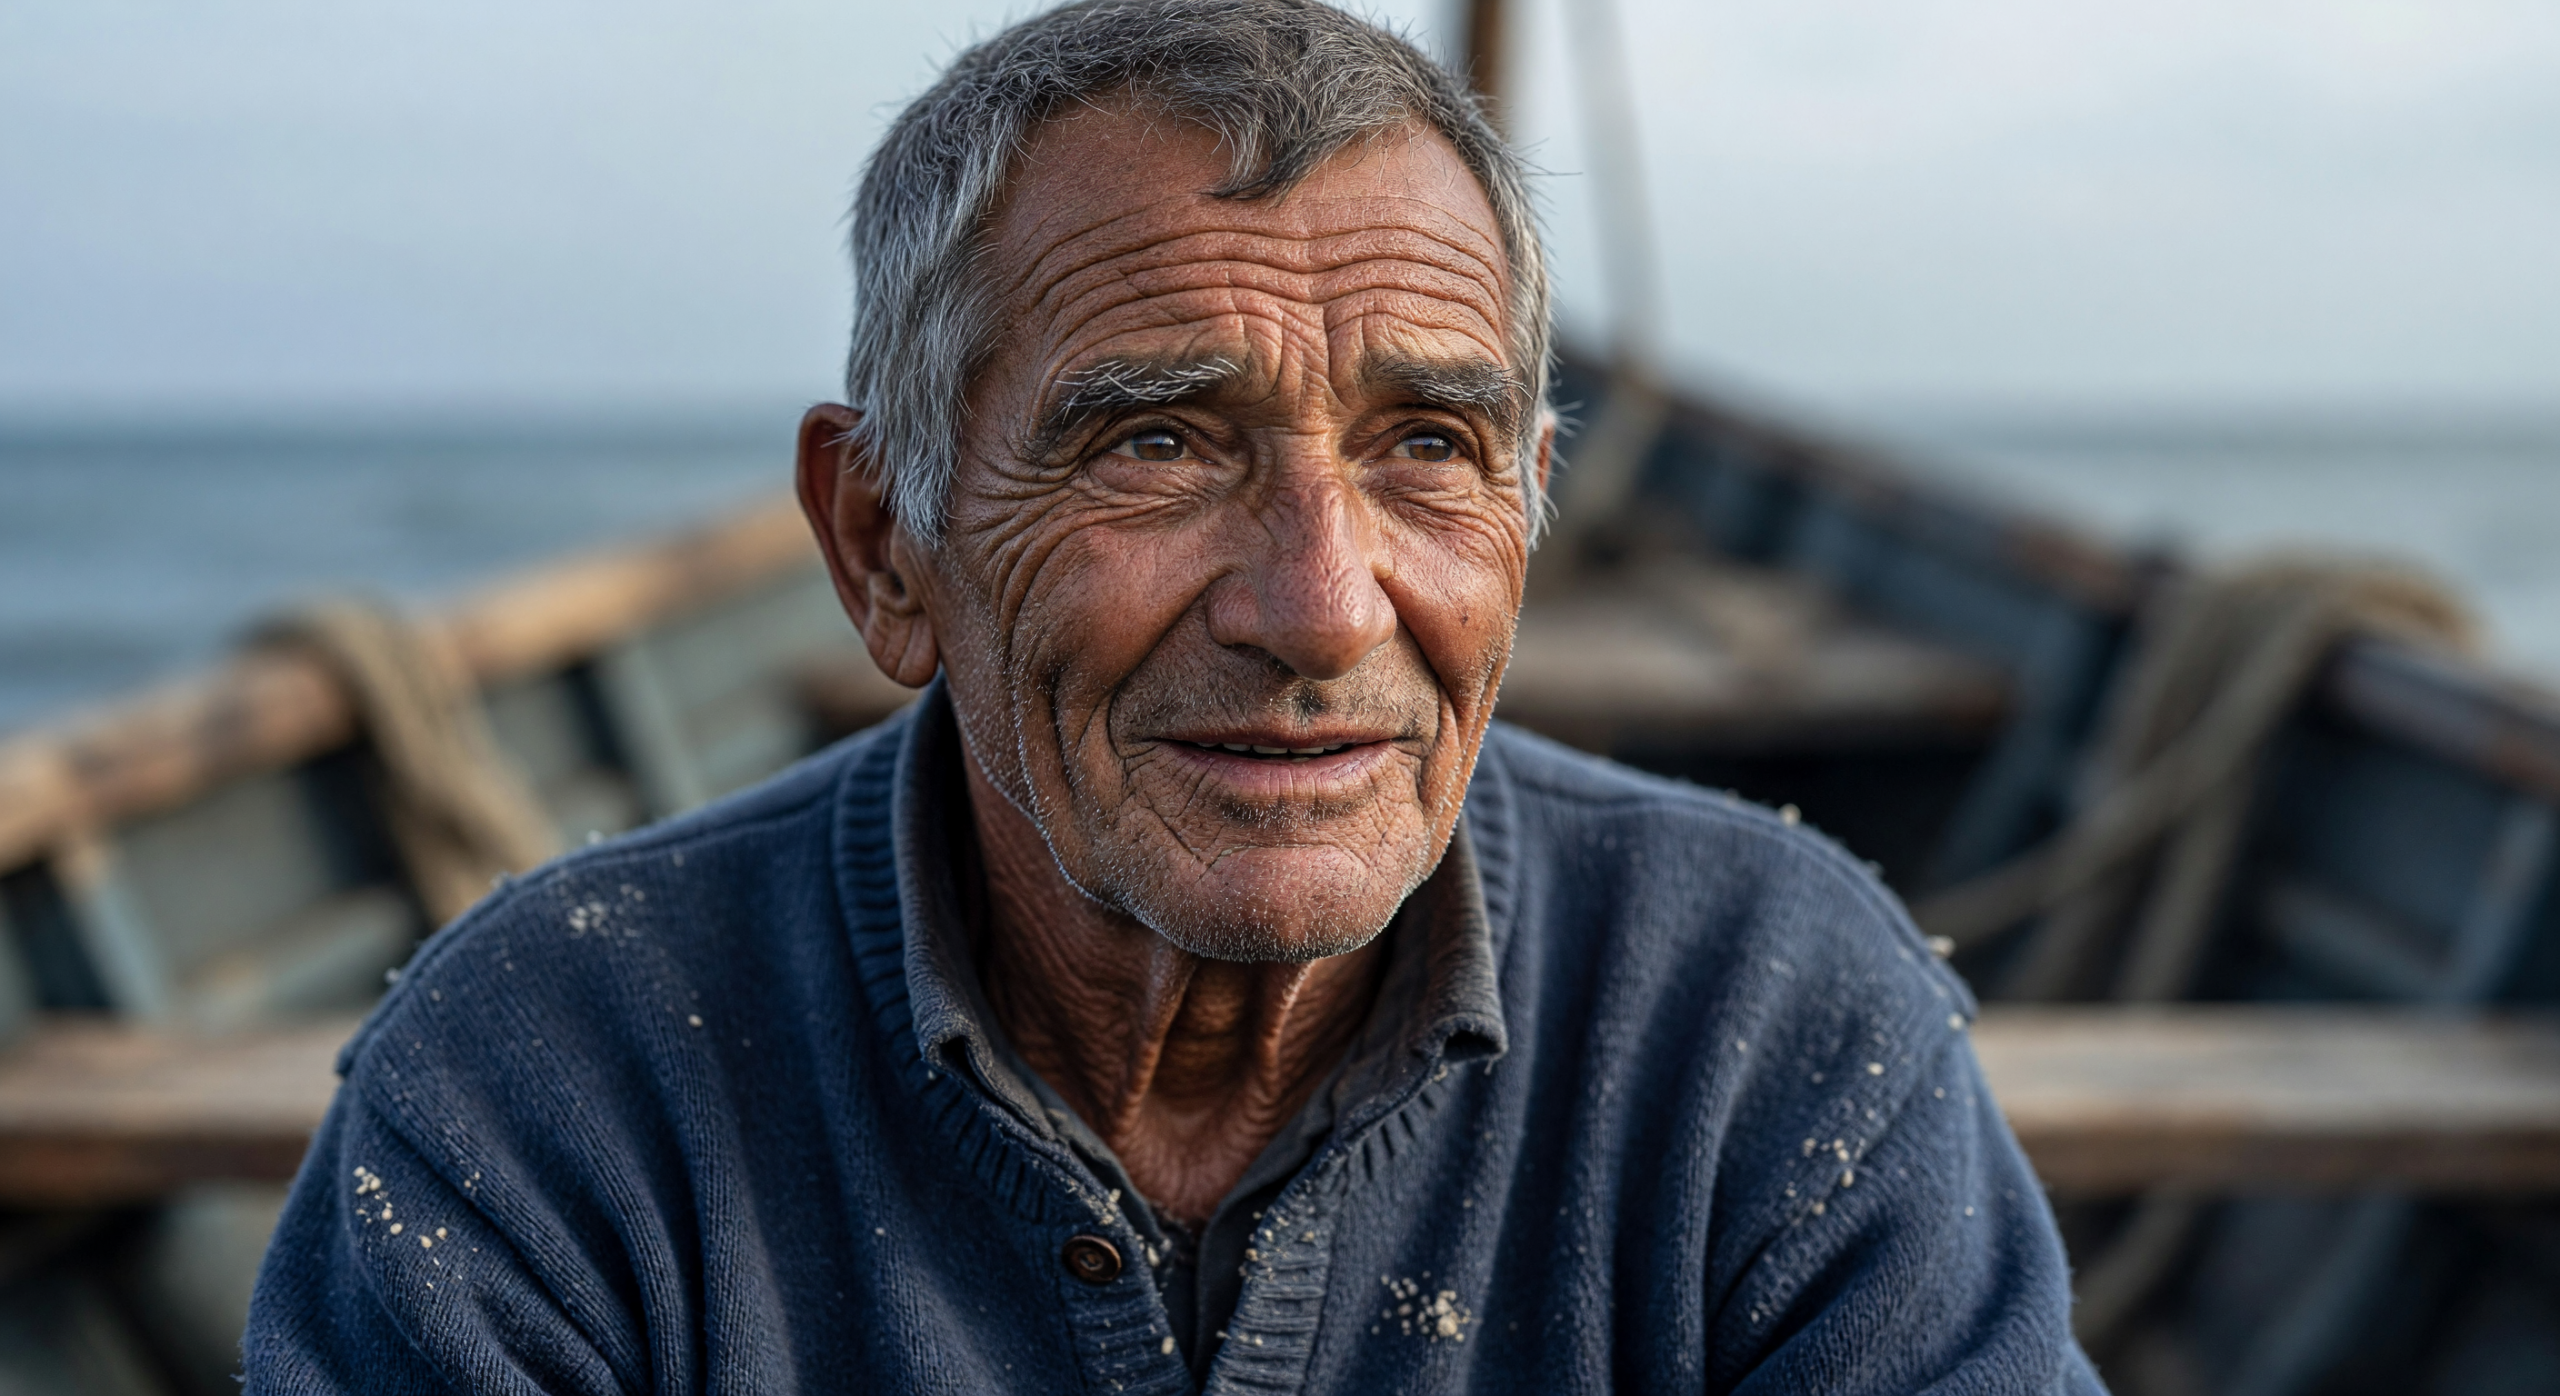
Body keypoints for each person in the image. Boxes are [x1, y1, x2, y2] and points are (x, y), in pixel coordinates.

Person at [244, 1, 2100, 1389]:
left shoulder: (1777, 1020)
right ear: (887, 545)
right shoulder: (543, 1086)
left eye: (1429, 447)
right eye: (1153, 442)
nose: (1317, 605)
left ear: (1531, 514)